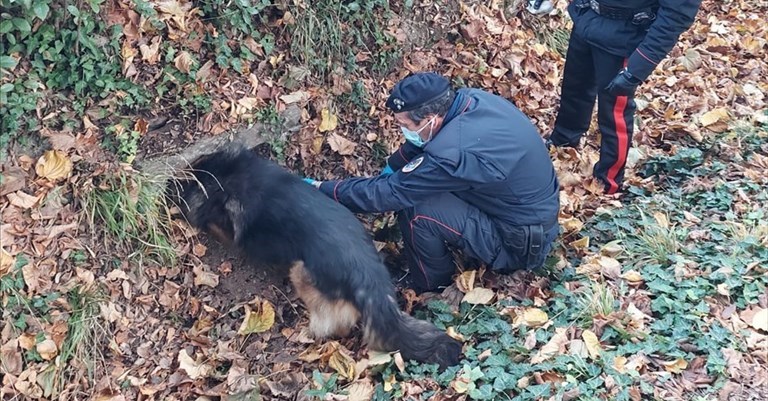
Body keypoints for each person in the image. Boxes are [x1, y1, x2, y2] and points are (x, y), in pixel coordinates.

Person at [304, 72, 560, 294]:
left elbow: (391, 193)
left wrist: (321, 189)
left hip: (518, 244)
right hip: (530, 219)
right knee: (422, 186)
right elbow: (423, 142)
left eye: (404, 125)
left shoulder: (452, 153)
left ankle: (431, 288)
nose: (402, 130)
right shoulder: (470, 102)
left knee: (417, 209)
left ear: (431, 118)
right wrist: (394, 165)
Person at [530, 0, 702, 194]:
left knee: (614, 113)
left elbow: (676, 16)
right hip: (587, 17)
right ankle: (562, 142)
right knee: (574, 87)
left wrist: (638, 67)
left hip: (625, 35)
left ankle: (608, 182)